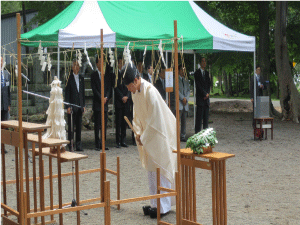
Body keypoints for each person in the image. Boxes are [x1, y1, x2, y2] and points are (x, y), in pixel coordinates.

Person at [121, 62, 176, 218]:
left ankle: (163, 206)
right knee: (151, 170)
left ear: (137, 80)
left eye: (129, 85)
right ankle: (154, 203)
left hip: (160, 133)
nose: (128, 89)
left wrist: (143, 136)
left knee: (161, 166)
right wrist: (138, 132)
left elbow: (155, 120)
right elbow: (137, 115)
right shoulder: (134, 92)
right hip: (148, 134)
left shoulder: (150, 91)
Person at [91, 55, 112, 151]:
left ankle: (103, 143)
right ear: (96, 64)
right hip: (97, 103)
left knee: (104, 126)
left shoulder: (107, 75)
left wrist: (106, 97)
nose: (101, 64)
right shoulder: (94, 75)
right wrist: (101, 98)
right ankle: (97, 143)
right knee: (97, 125)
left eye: (103, 62)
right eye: (100, 62)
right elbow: (94, 89)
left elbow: (109, 88)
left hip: (105, 103)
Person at [65, 59, 86, 151]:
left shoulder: (81, 78)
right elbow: (67, 93)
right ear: (72, 67)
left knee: (78, 126)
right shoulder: (68, 78)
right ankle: (70, 144)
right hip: (72, 105)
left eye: (77, 65)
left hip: (79, 105)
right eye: (74, 65)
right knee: (71, 127)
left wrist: (83, 105)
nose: (76, 67)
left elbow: (82, 92)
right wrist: (68, 106)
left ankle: (78, 144)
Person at [114, 57, 129, 148]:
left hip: (126, 100)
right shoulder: (116, 74)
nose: (122, 64)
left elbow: (129, 85)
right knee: (118, 122)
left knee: (124, 122)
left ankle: (123, 140)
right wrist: (121, 97)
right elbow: (115, 87)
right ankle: (118, 141)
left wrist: (127, 96)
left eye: (123, 63)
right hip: (119, 101)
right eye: (120, 63)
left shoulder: (126, 74)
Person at [194, 56, 210, 133]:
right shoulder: (197, 73)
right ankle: (197, 134)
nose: (204, 63)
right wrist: (204, 94)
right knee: (199, 119)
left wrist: (207, 94)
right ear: (200, 63)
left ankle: (205, 134)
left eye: (205, 61)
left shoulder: (207, 73)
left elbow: (208, 84)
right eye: (202, 61)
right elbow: (198, 85)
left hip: (206, 100)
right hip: (200, 99)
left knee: (206, 119)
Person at [178, 64, 190, 142]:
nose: (183, 71)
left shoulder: (186, 80)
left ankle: (183, 135)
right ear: (179, 70)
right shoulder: (176, 79)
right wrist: (182, 98)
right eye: (182, 69)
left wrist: (187, 99)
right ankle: (176, 135)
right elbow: (176, 90)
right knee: (177, 121)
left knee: (184, 121)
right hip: (179, 103)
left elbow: (189, 90)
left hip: (185, 104)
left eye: (184, 70)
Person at [1, 56, 11, 121]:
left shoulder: (7, 73)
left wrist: (9, 104)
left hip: (5, 104)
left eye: (1, 61)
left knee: (5, 124)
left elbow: (8, 90)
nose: (0, 63)